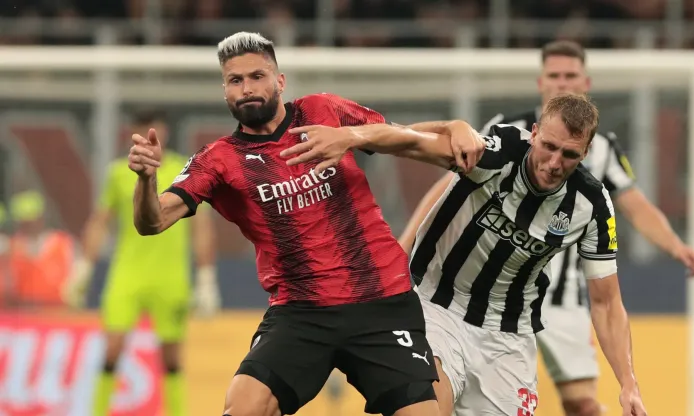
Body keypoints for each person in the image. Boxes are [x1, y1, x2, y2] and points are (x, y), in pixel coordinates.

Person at [126, 31, 486, 416]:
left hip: (381, 301)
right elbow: (153, 221)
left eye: (257, 76)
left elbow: (406, 138)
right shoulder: (218, 160)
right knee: (244, 407)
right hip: (301, 312)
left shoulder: (323, 111)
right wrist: (146, 180)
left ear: (279, 81)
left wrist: (451, 126)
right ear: (225, 91)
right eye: (236, 80)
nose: (247, 88)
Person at [398, 40, 694, 416]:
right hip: (459, 295)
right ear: (541, 83)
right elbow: (447, 187)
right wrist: (405, 241)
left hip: (555, 299)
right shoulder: (506, 133)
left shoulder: (602, 149)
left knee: (582, 404)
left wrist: (674, 245)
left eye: (570, 76)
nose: (563, 83)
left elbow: (634, 204)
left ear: (585, 82)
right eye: (555, 76)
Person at [63, 111, 220, 416]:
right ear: (132, 137)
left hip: (170, 276)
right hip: (127, 274)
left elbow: (201, 228)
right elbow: (100, 222)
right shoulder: (118, 173)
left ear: (165, 136)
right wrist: (83, 267)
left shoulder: (184, 171)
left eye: (156, 135)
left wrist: (206, 277)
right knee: (112, 348)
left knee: (172, 358)